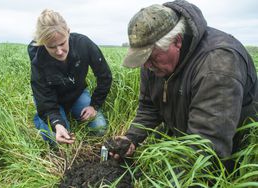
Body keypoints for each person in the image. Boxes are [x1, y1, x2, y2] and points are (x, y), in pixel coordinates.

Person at [109, 0, 258, 171]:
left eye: (151, 57)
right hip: (186, 135)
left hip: (232, 152)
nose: (146, 66)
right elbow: (149, 106)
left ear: (177, 41)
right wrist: (131, 138)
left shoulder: (217, 64)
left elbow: (207, 146)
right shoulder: (153, 65)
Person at [27, 9, 112, 145]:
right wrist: (57, 123)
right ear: (43, 44)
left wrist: (94, 105)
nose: (59, 51)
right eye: (51, 47)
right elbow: (44, 97)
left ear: (68, 32)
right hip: (52, 101)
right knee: (59, 140)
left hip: (77, 94)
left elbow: (105, 76)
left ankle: (69, 112)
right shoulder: (38, 60)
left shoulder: (83, 44)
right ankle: (41, 118)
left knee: (99, 129)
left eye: (62, 43)